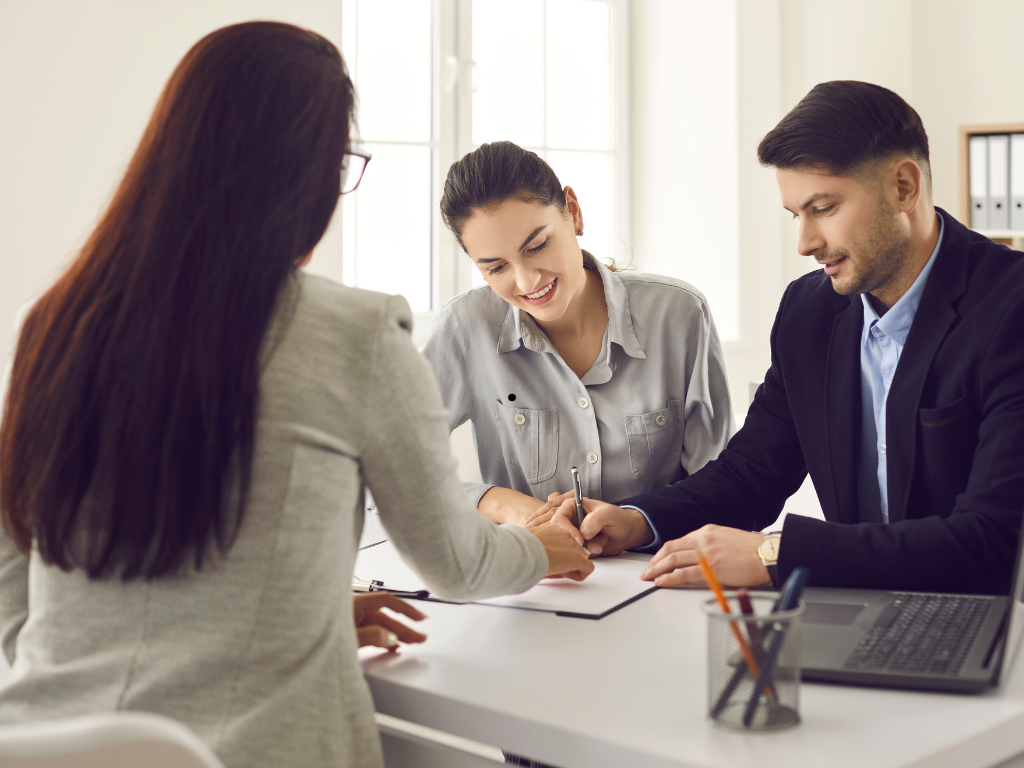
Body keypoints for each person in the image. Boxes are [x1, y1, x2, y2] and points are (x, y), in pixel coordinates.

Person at [0, 22, 591, 768]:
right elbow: (456, 565)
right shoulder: (357, 333)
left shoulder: (54, 320)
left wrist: (63, 663)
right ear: (307, 174)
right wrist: (539, 549)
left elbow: (13, 546)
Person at [532, 80, 1024, 595]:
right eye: (796, 215)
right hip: (851, 607)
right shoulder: (809, 311)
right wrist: (635, 519)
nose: (806, 243)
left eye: (824, 209)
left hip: (988, 619)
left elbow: (992, 541)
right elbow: (752, 475)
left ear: (904, 186)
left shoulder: (1012, 309)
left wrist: (776, 553)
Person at [423, 141, 733, 530]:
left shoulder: (679, 315)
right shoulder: (464, 328)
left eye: (537, 246)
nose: (527, 281)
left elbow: (723, 484)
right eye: (496, 267)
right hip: (533, 577)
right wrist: (500, 504)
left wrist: (638, 524)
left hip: (661, 572)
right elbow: (384, 467)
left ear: (573, 211)